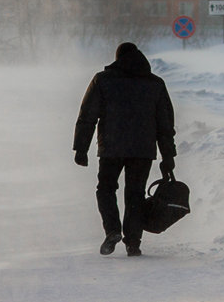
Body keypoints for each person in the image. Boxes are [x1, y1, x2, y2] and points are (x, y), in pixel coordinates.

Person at [73, 41, 176, 257]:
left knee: (106, 188)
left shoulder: (103, 80)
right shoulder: (155, 84)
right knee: (135, 194)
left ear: (117, 58)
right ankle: (133, 243)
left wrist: (81, 148)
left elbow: (87, 116)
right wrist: (168, 156)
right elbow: (165, 125)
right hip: (142, 150)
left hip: (111, 147)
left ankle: (112, 230)